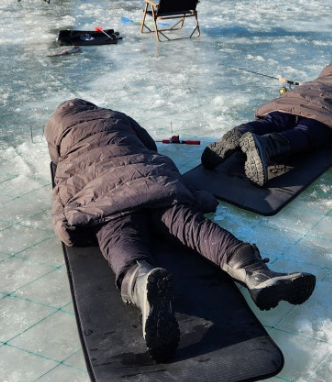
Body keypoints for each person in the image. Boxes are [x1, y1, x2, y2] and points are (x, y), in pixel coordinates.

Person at [47, 99, 316, 363]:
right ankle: (255, 272)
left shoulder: (56, 132)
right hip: (150, 178)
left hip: (99, 192)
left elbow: (60, 178)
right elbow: (147, 143)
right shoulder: (113, 115)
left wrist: (69, 225)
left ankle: (141, 281)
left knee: (118, 235)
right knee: (189, 225)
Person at [202, 43, 332, 187]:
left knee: (280, 116)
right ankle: (268, 145)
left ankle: (243, 131)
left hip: (309, 91)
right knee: (310, 129)